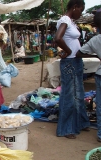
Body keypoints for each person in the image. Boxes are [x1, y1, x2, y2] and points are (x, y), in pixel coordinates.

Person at [54, 0, 90, 139]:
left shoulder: (70, 21)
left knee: (79, 93)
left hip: (75, 61)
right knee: (69, 95)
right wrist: (68, 51)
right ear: (75, 7)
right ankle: (66, 128)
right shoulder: (65, 20)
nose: (80, 13)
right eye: (80, 10)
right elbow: (58, 38)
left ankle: (80, 122)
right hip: (69, 62)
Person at [76, 10, 101, 143]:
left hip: (100, 75)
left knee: (100, 106)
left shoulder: (95, 40)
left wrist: (97, 55)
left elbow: (79, 53)